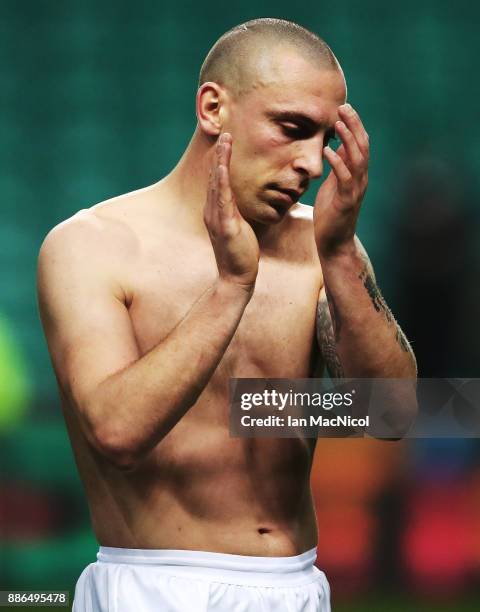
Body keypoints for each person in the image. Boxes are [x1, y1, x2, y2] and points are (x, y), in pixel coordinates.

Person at [37, 17, 417, 612]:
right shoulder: (91, 244)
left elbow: (392, 416)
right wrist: (232, 285)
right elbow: (116, 433)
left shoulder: (322, 245)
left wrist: (340, 253)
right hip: (156, 582)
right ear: (213, 107)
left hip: (299, 584)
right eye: (292, 129)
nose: (313, 165)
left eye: (326, 140)